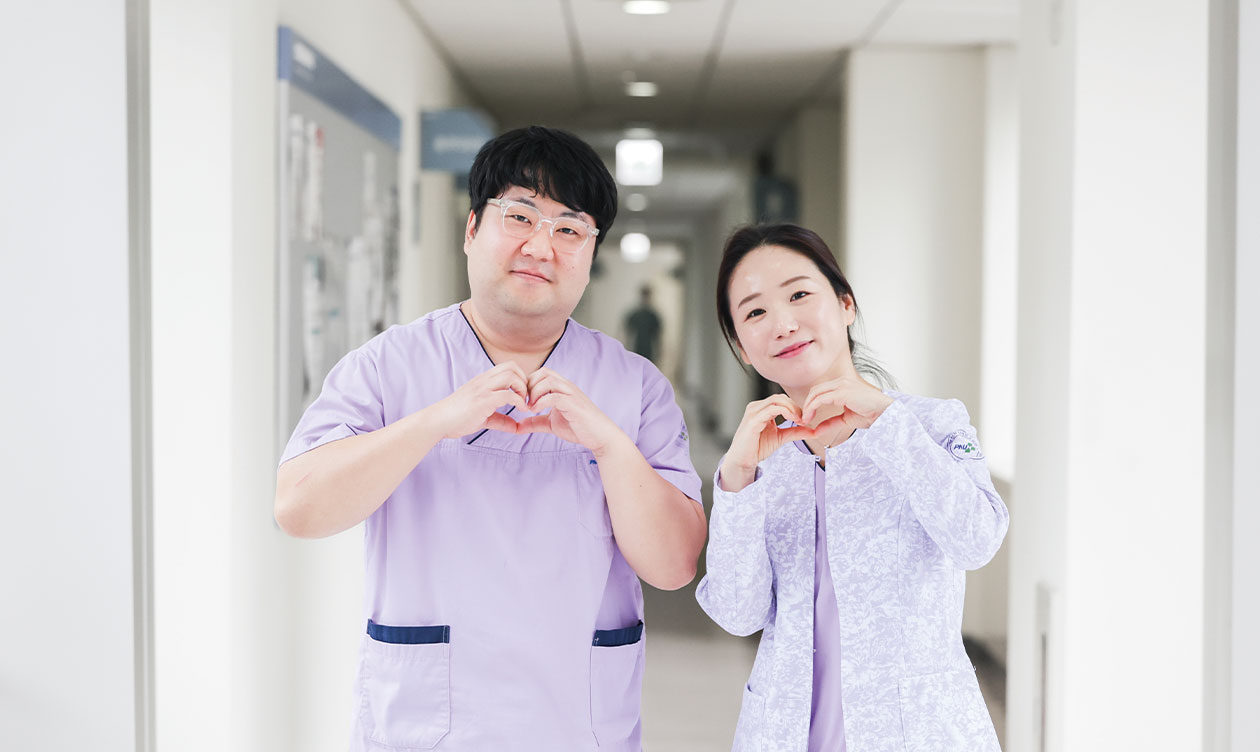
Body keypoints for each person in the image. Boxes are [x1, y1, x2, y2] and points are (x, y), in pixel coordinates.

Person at [274, 126, 706, 752]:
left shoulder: (635, 387)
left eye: (570, 229)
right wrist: (434, 422)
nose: (541, 246)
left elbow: (673, 567)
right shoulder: (389, 365)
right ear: (472, 228)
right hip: (429, 725)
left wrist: (611, 446)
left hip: (575, 722)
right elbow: (298, 508)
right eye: (520, 216)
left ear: (591, 253)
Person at [695, 224, 1007, 751]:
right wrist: (736, 481)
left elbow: (976, 541)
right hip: (787, 734)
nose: (783, 324)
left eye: (799, 295)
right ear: (742, 348)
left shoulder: (930, 424)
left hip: (917, 733)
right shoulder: (757, 458)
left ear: (845, 304)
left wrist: (887, 424)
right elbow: (737, 613)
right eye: (755, 312)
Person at [623, 284, 663, 363]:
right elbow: (628, 334)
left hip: (649, 350)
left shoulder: (653, 316)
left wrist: (659, 352)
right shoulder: (635, 315)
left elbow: (658, 337)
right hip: (636, 348)